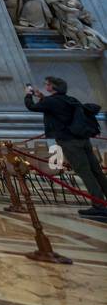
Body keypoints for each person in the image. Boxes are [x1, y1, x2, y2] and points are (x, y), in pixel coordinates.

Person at [25, 76, 107, 220]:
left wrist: (28, 94)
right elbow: (57, 109)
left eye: (47, 84)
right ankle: (102, 200)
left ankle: (99, 206)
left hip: (69, 141)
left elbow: (32, 106)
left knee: (85, 172)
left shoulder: (52, 102)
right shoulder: (70, 99)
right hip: (83, 140)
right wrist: (42, 97)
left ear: (53, 87)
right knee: (96, 171)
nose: (46, 86)